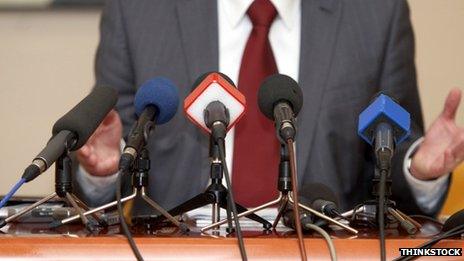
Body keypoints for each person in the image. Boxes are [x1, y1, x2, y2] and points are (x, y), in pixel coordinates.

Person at [74, 0, 464, 217]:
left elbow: (390, 155)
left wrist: (418, 169)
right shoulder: (137, 10)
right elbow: (116, 150)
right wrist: (103, 172)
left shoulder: (376, 14)